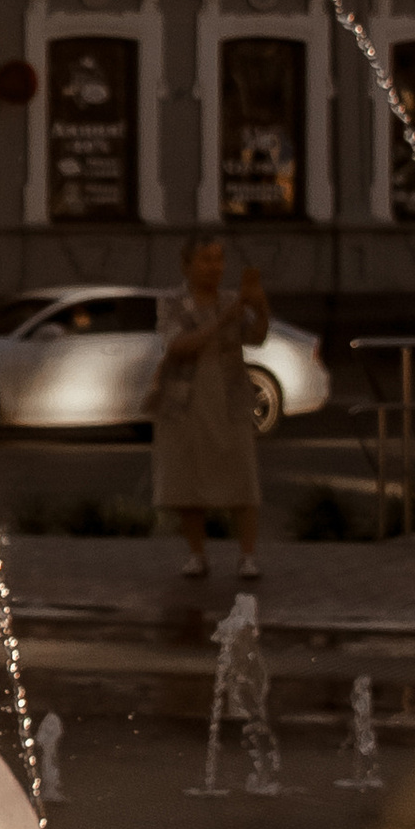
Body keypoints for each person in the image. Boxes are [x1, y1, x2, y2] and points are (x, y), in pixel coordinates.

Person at [150, 232, 268, 583]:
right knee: (188, 479)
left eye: (218, 259)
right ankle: (196, 554)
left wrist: (260, 307)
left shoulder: (231, 299)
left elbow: (256, 336)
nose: (214, 268)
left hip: (229, 399)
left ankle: (247, 556)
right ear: (187, 266)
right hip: (185, 402)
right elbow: (178, 346)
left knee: (242, 477)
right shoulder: (172, 302)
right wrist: (223, 319)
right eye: (205, 260)